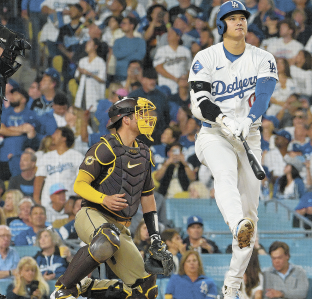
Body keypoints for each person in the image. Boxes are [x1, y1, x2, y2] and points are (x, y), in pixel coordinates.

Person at [188, 1, 278, 297]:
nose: (239, 22)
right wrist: (225, 119)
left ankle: (232, 283)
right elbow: (201, 101)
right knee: (224, 175)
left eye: (242, 17)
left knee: (252, 218)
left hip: (249, 136)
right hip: (214, 133)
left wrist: (250, 119)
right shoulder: (206, 57)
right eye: (232, 18)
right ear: (221, 25)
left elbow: (264, 95)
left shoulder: (262, 57)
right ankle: (235, 221)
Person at [50, 97, 174, 299]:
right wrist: (103, 199)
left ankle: (86, 285)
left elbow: (148, 198)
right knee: (107, 238)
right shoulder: (105, 147)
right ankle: (63, 288)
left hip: (121, 227)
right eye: (140, 114)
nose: (147, 119)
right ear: (125, 119)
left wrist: (155, 237)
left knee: (147, 290)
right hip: (92, 214)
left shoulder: (144, 152)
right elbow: (79, 184)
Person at [33, 127, 83, 206]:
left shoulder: (77, 156)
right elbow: (39, 178)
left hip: (68, 201)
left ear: (64, 138)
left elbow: (82, 180)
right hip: (47, 202)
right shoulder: (46, 157)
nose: (52, 136)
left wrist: (76, 199)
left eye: (56, 133)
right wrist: (36, 198)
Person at [112, 16, 146, 81]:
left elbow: (140, 56)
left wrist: (124, 55)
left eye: (124, 23)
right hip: (120, 74)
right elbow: (117, 54)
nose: (121, 25)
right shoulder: (117, 41)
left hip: (135, 75)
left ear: (131, 26)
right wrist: (133, 51)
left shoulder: (140, 41)